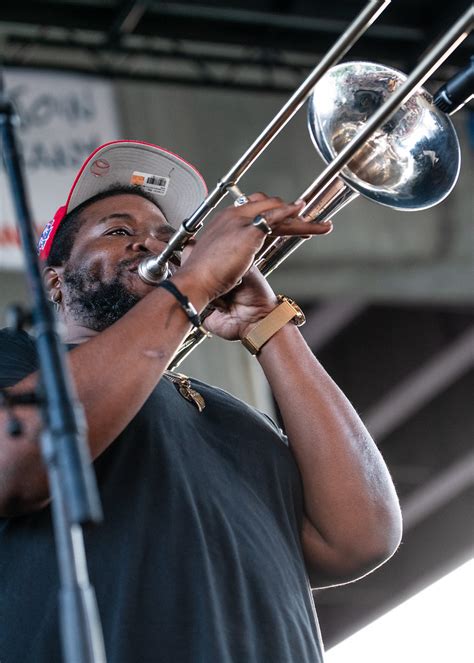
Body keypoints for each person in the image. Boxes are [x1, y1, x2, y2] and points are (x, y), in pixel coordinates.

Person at [0, 140, 402, 663]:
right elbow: (17, 464)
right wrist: (193, 282)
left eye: (170, 239)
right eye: (120, 231)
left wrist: (268, 324)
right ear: (56, 282)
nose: (154, 247)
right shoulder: (18, 358)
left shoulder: (236, 419)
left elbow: (359, 539)